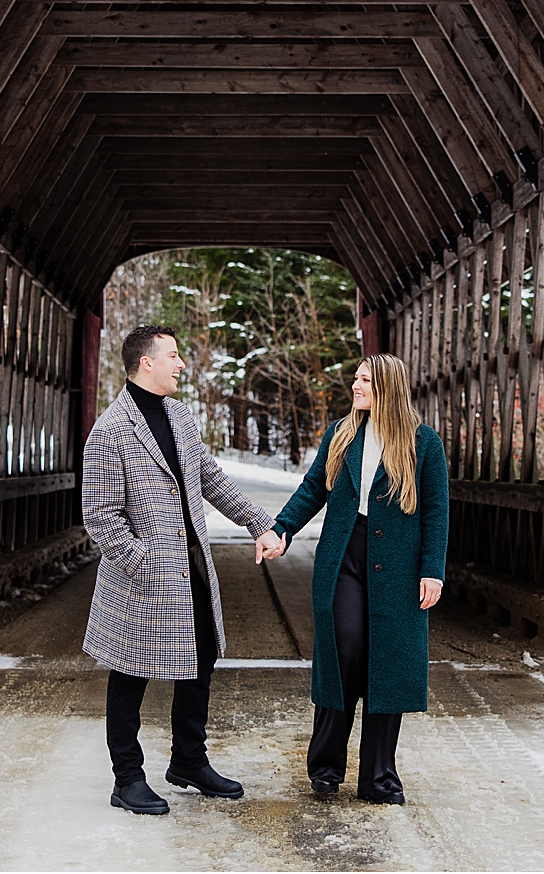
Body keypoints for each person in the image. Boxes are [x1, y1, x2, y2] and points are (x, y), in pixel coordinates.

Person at [81, 323, 282, 817]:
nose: (182, 364)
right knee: (129, 674)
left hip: (190, 566)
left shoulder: (180, 415)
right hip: (139, 581)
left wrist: (259, 522)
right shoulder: (110, 431)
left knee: (204, 655)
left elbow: (208, 477)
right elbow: (99, 516)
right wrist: (143, 561)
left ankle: (189, 760)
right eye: (173, 355)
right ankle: (126, 778)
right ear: (146, 362)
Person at [264, 353, 448, 804]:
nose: (355, 385)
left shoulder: (423, 444)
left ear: (386, 385)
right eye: (356, 377)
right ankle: (326, 767)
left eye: (364, 379)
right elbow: (312, 489)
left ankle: (379, 777)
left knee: (388, 664)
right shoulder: (342, 435)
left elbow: (436, 511)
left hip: (400, 567)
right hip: (344, 557)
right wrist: (281, 529)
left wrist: (432, 571)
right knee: (344, 653)